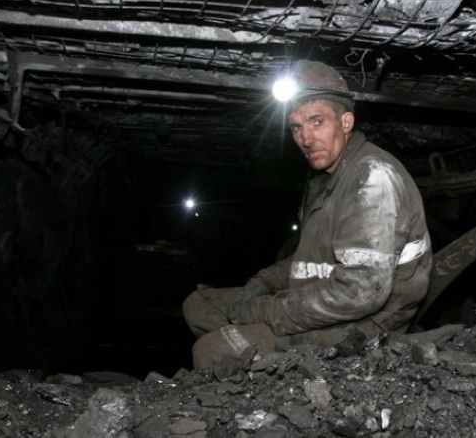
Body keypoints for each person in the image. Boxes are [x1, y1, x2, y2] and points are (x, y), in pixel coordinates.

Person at [182, 59, 432, 369]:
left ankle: (264, 367)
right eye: (297, 127)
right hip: (322, 298)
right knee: (199, 305)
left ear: (346, 122)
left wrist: (265, 311)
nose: (306, 138)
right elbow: (310, 257)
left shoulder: (372, 179)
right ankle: (253, 350)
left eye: (317, 122)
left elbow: (361, 292)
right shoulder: (325, 178)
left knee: (209, 351)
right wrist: (262, 283)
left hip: (366, 325)